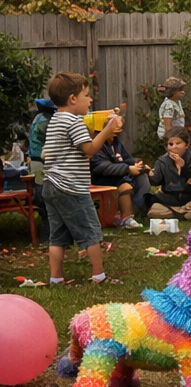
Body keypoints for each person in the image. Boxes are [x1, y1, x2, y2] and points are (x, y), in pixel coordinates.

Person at [42, 72, 122, 285]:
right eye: (86, 95)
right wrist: (108, 129)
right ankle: (99, 276)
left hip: (51, 185)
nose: (90, 100)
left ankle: (56, 279)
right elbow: (90, 149)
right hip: (71, 187)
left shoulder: (55, 120)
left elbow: (79, 149)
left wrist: (99, 126)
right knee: (91, 231)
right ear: (72, 98)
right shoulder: (74, 121)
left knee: (57, 236)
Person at [145, 127, 191, 220]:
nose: (174, 147)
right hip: (170, 201)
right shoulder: (162, 161)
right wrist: (148, 173)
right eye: (171, 144)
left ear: (187, 145)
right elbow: (156, 181)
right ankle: (184, 215)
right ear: (166, 146)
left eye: (178, 143)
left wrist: (184, 168)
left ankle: (176, 215)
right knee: (153, 209)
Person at [90, 130, 150, 229]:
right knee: (125, 186)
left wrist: (138, 166)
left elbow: (126, 158)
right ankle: (126, 217)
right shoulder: (97, 145)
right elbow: (101, 167)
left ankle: (138, 210)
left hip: (120, 175)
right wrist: (127, 169)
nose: (117, 130)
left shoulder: (116, 143)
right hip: (103, 179)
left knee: (141, 177)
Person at [28, 98, 57, 240]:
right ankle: (48, 237)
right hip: (42, 162)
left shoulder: (38, 118)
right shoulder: (47, 121)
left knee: (43, 199)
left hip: (36, 162)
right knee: (47, 200)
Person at [156, 77, 187, 142]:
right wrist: (170, 140)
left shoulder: (177, 102)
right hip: (171, 138)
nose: (183, 92)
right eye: (180, 90)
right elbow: (168, 125)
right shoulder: (169, 105)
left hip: (176, 135)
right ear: (172, 91)